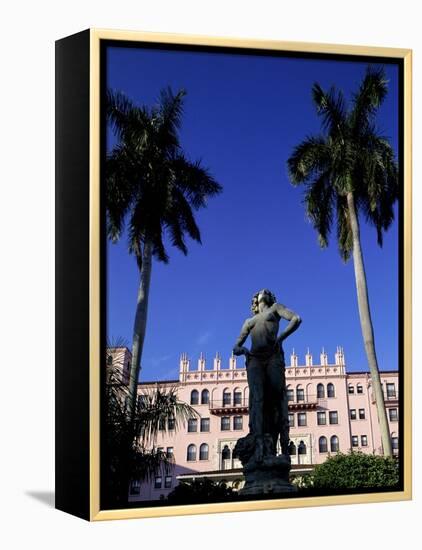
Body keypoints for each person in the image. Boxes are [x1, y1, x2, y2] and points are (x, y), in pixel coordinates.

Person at [233, 289, 301, 461]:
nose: (263, 292)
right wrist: (244, 350)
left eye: (266, 292)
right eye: (260, 292)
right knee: (258, 398)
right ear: (255, 301)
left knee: (277, 398)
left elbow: (296, 319)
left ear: (270, 298)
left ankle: (283, 446)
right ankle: (258, 441)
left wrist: (281, 338)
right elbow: (236, 347)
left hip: (273, 356)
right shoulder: (249, 321)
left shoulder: (275, 308)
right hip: (255, 359)